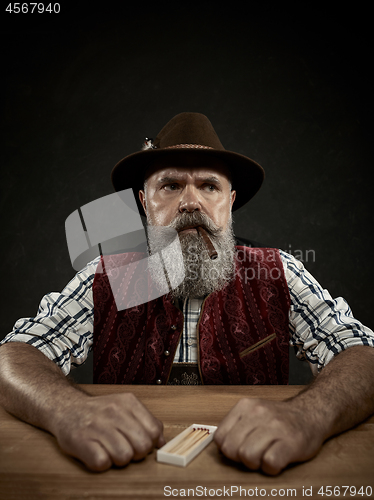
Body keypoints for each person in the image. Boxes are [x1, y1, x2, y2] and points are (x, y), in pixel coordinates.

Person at [0, 112, 374, 476]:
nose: (191, 202)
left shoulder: (279, 272)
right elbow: (13, 356)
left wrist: (306, 416)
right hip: (130, 476)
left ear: (229, 202)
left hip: (251, 477)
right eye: (171, 185)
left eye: (209, 186)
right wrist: (69, 411)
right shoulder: (109, 276)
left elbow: (363, 354)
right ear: (145, 203)